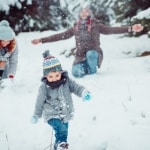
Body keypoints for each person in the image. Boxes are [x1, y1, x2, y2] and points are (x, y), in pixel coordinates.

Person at [31, 6, 143, 78]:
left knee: (91, 54)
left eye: (86, 11)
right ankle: (88, 69)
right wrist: (42, 40)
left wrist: (131, 28)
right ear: (79, 14)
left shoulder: (96, 25)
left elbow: (111, 30)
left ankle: (93, 73)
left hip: (94, 53)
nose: (84, 13)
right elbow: (60, 36)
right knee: (75, 73)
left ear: (90, 14)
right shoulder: (75, 27)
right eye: (82, 12)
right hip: (80, 56)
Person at [31, 50, 92, 150]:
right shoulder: (44, 87)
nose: (54, 78)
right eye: (51, 76)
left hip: (66, 112)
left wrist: (84, 93)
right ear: (46, 76)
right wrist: (36, 115)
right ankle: (61, 145)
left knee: (63, 133)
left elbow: (76, 87)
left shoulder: (66, 81)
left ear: (61, 72)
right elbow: (39, 101)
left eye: (57, 75)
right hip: (51, 113)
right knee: (61, 129)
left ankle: (59, 146)